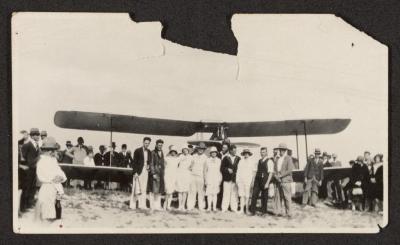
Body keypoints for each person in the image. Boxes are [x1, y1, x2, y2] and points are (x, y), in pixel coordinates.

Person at [35, 137, 67, 222]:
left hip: (55, 187)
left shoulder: (53, 160)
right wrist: (54, 178)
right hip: (47, 187)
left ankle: (54, 219)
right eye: (54, 150)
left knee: (56, 204)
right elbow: (42, 175)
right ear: (50, 151)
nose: (56, 152)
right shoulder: (42, 162)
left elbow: (59, 170)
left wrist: (61, 177)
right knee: (46, 207)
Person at [20, 128, 41, 213]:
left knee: (33, 187)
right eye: (36, 134)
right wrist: (26, 167)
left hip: (35, 169)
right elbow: (22, 158)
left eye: (38, 134)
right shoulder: (27, 145)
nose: (38, 136)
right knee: (27, 187)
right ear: (32, 136)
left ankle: (29, 203)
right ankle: (23, 207)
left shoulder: (37, 145)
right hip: (28, 170)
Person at [249, 147, 274, 215]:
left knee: (264, 196)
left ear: (266, 153)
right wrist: (253, 181)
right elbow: (255, 171)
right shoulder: (259, 161)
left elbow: (271, 173)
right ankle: (252, 211)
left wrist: (267, 183)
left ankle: (264, 211)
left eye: (263, 152)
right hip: (257, 180)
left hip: (265, 181)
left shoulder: (269, 161)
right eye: (261, 152)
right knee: (254, 195)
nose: (262, 154)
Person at [130, 137, 152, 210]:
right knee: (136, 188)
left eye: (148, 143)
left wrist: (148, 167)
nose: (146, 144)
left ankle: (142, 205)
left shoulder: (149, 152)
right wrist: (135, 172)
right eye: (145, 143)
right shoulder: (137, 150)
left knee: (143, 188)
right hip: (138, 172)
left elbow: (149, 162)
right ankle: (133, 205)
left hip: (145, 171)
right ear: (143, 142)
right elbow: (134, 162)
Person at [273, 143, 294, 218]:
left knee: (287, 197)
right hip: (278, 180)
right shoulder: (277, 158)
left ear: (285, 150)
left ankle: (289, 213)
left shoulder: (288, 158)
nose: (281, 151)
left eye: (283, 149)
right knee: (278, 197)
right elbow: (274, 169)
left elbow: (289, 170)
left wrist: (281, 175)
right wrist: (276, 176)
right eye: (280, 149)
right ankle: (278, 212)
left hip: (285, 181)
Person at [187, 142, 208, 211]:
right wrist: (190, 169)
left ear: (204, 150)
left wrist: (205, 180)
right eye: (199, 148)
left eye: (202, 149)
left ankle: (201, 206)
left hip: (200, 177)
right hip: (192, 176)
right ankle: (190, 206)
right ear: (197, 149)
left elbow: (205, 170)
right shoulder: (193, 156)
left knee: (201, 192)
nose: (200, 150)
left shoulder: (205, 158)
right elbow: (190, 166)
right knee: (192, 191)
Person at [220, 144, 240, 213]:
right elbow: (221, 168)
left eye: (235, 151)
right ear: (230, 151)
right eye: (233, 151)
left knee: (234, 194)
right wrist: (227, 169)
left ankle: (234, 208)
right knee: (226, 193)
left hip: (235, 179)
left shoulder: (238, 158)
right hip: (227, 179)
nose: (235, 152)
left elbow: (240, 169)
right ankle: (224, 208)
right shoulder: (225, 158)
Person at [236, 149, 256, 214]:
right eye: (245, 153)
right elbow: (238, 171)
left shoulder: (252, 161)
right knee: (241, 195)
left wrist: (252, 181)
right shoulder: (241, 161)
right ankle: (241, 209)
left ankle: (247, 210)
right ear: (243, 154)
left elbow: (254, 172)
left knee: (247, 195)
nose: (246, 154)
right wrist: (237, 180)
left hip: (248, 181)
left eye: (247, 153)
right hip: (241, 180)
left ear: (249, 154)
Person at [147, 139, 165, 211]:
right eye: (159, 145)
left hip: (160, 174)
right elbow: (151, 164)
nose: (160, 146)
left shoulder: (162, 152)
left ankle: (158, 205)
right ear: (156, 145)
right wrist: (153, 173)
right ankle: (152, 206)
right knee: (153, 190)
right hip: (155, 174)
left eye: (161, 145)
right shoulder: (152, 152)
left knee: (159, 191)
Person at [204, 146, 222, 212]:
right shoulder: (207, 160)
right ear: (210, 153)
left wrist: (220, 179)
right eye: (212, 152)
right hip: (209, 177)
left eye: (215, 152)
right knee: (209, 193)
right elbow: (205, 170)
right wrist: (205, 179)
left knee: (215, 193)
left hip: (216, 178)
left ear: (216, 153)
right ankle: (209, 207)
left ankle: (214, 207)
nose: (214, 154)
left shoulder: (219, 160)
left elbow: (220, 171)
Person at [176, 146, 193, 210]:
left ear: (188, 150)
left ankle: (183, 205)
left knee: (185, 191)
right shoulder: (180, 156)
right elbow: (176, 163)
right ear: (182, 150)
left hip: (187, 174)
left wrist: (191, 167)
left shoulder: (191, 157)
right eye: (184, 150)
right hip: (180, 174)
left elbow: (193, 164)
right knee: (180, 190)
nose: (185, 151)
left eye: (186, 149)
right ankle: (179, 205)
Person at [163, 146, 180, 210]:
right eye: (172, 152)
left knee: (171, 191)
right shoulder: (167, 158)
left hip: (174, 176)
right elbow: (164, 163)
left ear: (176, 153)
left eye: (174, 152)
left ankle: (168, 205)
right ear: (170, 152)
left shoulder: (178, 159)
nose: (173, 153)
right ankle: (165, 204)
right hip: (167, 176)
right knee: (168, 191)